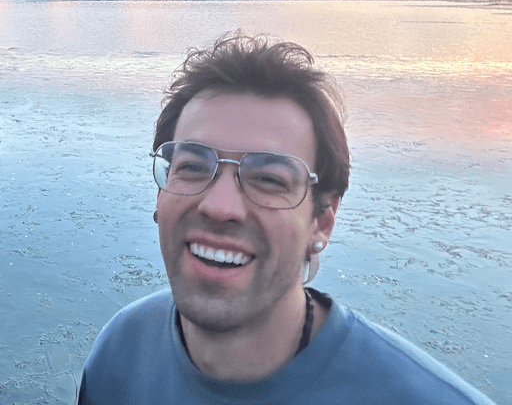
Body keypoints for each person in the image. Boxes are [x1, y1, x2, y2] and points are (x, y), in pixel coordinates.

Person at [78, 32, 496, 404]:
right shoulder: (121, 353)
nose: (220, 206)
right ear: (160, 191)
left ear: (323, 221)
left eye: (268, 178)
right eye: (192, 166)